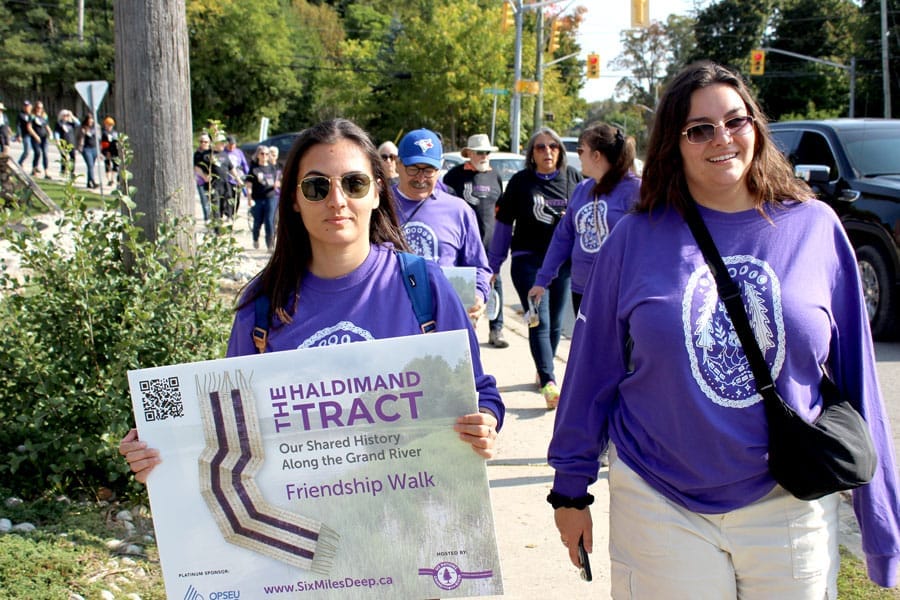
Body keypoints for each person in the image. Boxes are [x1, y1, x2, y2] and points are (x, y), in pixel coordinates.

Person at [548, 60, 900, 597]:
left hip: (790, 498)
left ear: (757, 126)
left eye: (736, 121)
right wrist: (570, 490)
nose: (723, 138)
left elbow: (860, 384)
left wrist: (882, 527)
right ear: (673, 142)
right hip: (659, 500)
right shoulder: (634, 239)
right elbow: (591, 370)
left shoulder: (815, 228)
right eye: (699, 129)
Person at [120, 117, 503, 482]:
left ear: (376, 192)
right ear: (294, 200)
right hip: (303, 535)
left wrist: (484, 421)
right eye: (316, 187)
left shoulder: (424, 286)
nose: (336, 200)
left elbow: (480, 391)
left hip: (410, 528)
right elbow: (230, 426)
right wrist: (160, 448)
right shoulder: (262, 304)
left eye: (353, 184)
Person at [488, 127, 582, 409]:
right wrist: (493, 266)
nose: (548, 152)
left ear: (560, 152)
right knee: (538, 319)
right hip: (528, 260)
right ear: (532, 154)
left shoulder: (573, 180)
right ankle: (550, 380)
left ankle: (543, 371)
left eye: (553, 147)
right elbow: (503, 227)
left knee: (554, 323)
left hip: (562, 264)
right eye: (540, 147)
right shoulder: (520, 182)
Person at [528, 123, 640, 317]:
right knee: (585, 346)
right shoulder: (582, 189)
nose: (578, 156)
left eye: (581, 150)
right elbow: (562, 237)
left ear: (596, 155)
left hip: (619, 291)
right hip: (581, 289)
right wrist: (542, 280)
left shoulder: (635, 190)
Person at [393, 128, 490, 323]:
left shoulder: (459, 210)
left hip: (446, 319)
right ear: (397, 165)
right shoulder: (376, 208)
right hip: (392, 319)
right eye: (413, 168)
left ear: (440, 168)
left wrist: (478, 295)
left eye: (428, 170)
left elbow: (479, 267)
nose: (421, 178)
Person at [443, 133, 509, 349]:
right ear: (468, 153)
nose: (484, 156)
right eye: (480, 152)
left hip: (490, 247)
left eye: (487, 152)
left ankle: (496, 330)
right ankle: (463, 331)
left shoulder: (495, 176)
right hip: (465, 250)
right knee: (464, 294)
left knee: (495, 287)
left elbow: (500, 211)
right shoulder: (454, 176)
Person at [245, 145, 278, 251]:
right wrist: (249, 198)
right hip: (258, 198)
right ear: (258, 155)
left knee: (269, 221)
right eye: (262, 153)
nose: (264, 156)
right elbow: (249, 184)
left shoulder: (272, 168)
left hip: (271, 197)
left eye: (267, 154)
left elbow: (279, 180)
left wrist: (278, 184)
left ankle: (270, 245)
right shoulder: (254, 169)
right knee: (257, 221)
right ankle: (255, 239)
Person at [225, 134, 249, 212]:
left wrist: (248, 175)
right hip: (227, 179)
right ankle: (229, 214)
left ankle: (234, 213)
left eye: (234, 145)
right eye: (230, 145)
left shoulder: (239, 152)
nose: (232, 147)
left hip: (237, 178)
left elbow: (244, 164)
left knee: (237, 198)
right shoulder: (224, 152)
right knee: (229, 196)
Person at [192, 133, 213, 220]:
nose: (203, 143)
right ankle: (207, 218)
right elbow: (196, 167)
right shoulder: (197, 154)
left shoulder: (212, 152)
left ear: (209, 142)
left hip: (213, 179)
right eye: (201, 142)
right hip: (201, 180)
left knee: (214, 199)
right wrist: (205, 176)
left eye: (205, 142)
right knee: (204, 200)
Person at [54, 109, 80, 177]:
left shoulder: (71, 123)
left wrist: (72, 116)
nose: (66, 117)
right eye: (64, 115)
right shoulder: (59, 123)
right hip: (63, 143)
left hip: (71, 143)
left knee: (72, 157)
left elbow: (78, 123)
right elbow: (56, 133)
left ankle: (72, 172)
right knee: (64, 157)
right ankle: (63, 170)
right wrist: (57, 141)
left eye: (67, 115)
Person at [76, 113, 99, 189]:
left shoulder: (95, 128)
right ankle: (92, 181)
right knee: (90, 165)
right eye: (89, 120)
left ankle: (88, 182)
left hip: (94, 149)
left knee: (91, 166)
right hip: (86, 149)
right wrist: (83, 133)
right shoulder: (82, 128)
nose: (91, 121)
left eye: (92, 120)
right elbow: (79, 138)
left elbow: (99, 138)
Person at [16, 100, 39, 170]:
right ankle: (20, 162)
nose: (26, 107)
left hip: (33, 135)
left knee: (37, 151)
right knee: (27, 151)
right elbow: (18, 126)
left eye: (28, 106)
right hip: (25, 135)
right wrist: (19, 135)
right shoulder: (21, 115)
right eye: (25, 106)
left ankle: (35, 167)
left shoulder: (31, 115)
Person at [31, 101, 51, 179]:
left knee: (45, 154)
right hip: (36, 137)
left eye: (41, 108)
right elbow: (29, 127)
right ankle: (34, 169)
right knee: (37, 152)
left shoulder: (44, 116)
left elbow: (46, 125)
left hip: (44, 137)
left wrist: (50, 132)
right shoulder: (32, 116)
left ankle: (46, 172)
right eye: (38, 107)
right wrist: (35, 136)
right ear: (35, 108)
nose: (39, 109)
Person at [100, 116, 120, 186]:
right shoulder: (104, 133)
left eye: (110, 125)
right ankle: (109, 180)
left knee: (115, 165)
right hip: (107, 150)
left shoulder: (115, 132)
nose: (109, 126)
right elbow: (103, 144)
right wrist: (106, 152)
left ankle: (113, 179)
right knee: (108, 165)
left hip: (115, 151)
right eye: (108, 124)